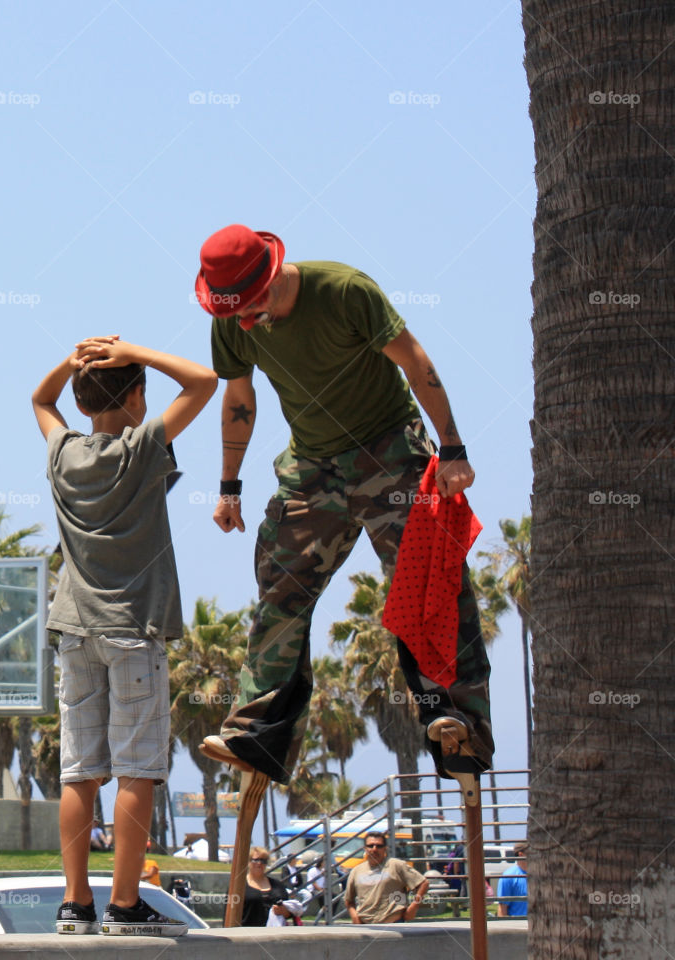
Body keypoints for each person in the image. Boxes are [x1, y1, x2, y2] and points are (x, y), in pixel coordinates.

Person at [194, 224, 493, 785]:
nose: (245, 321)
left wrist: (452, 448)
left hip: (390, 451)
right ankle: (258, 734)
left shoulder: (345, 290)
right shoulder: (232, 319)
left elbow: (414, 360)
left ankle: (457, 724)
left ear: (272, 274)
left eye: (251, 307)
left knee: (430, 580)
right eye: (233, 311)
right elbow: (239, 398)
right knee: (280, 588)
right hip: (312, 464)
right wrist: (229, 485)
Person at [33, 336, 216, 936]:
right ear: (136, 396)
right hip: (134, 629)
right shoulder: (142, 448)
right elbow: (205, 382)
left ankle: (76, 902)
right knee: (138, 769)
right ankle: (126, 903)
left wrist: (75, 359)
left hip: (75, 629)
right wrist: (133, 349)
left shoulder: (64, 453)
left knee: (80, 770)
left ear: (84, 404)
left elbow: (40, 398)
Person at [344, 833, 429, 924]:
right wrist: (355, 917)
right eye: (370, 845)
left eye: (379, 846)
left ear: (385, 848)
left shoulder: (396, 865)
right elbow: (349, 900)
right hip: (366, 927)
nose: (374, 849)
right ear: (365, 848)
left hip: (394, 923)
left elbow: (423, 883)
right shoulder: (356, 871)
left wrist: (413, 907)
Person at [241, 847, 302, 927]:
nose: (259, 863)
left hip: (275, 935)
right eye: (255, 860)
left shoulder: (278, 885)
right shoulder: (238, 887)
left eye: (263, 861)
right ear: (248, 862)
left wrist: (283, 911)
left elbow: (289, 913)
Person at [497, 843, 528, 917]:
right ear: (521, 854)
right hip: (518, 925)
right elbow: (502, 909)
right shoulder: (508, 876)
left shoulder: (540, 875)